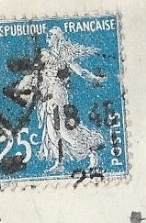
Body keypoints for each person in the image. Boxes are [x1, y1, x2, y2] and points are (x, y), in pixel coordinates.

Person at [6, 27, 107, 173]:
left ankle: (92, 153)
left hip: (57, 95)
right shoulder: (44, 54)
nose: (48, 38)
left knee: (64, 131)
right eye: (48, 36)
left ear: (58, 38)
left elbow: (80, 71)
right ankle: (59, 163)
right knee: (52, 132)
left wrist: (94, 78)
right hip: (46, 97)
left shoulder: (60, 57)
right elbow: (35, 74)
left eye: (51, 36)